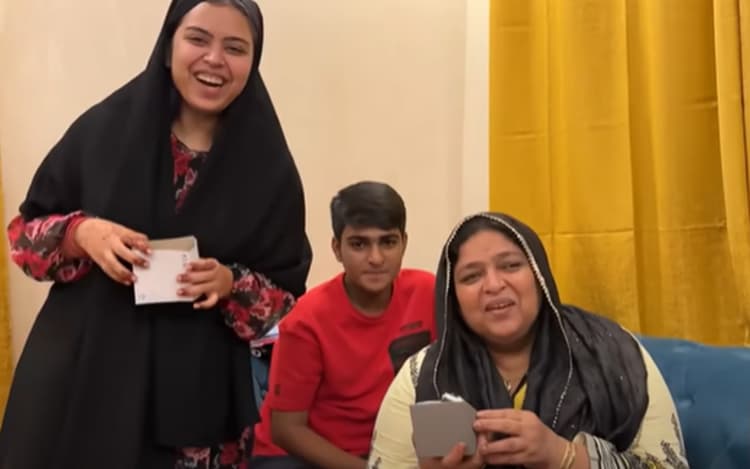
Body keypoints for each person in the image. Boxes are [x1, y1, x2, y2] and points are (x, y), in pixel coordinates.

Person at [0, 1, 312, 468]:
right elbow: (24, 241)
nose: (214, 59)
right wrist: (81, 233)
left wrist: (230, 283)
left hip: (197, 407)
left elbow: (284, 295)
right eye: (198, 39)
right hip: (84, 383)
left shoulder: (269, 170)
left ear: (254, 60)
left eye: (235, 48)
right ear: (169, 46)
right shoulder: (104, 132)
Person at [368, 212, 689, 469]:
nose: (493, 285)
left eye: (510, 266)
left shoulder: (612, 352)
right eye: (471, 276)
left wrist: (564, 456)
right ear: (453, 297)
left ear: (539, 275)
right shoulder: (424, 374)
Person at [251, 181, 437, 469]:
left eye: (388, 242)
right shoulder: (306, 320)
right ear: (337, 249)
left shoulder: (429, 292)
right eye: (359, 244)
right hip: (300, 455)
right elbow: (286, 430)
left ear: (404, 243)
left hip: (390, 448)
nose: (376, 258)